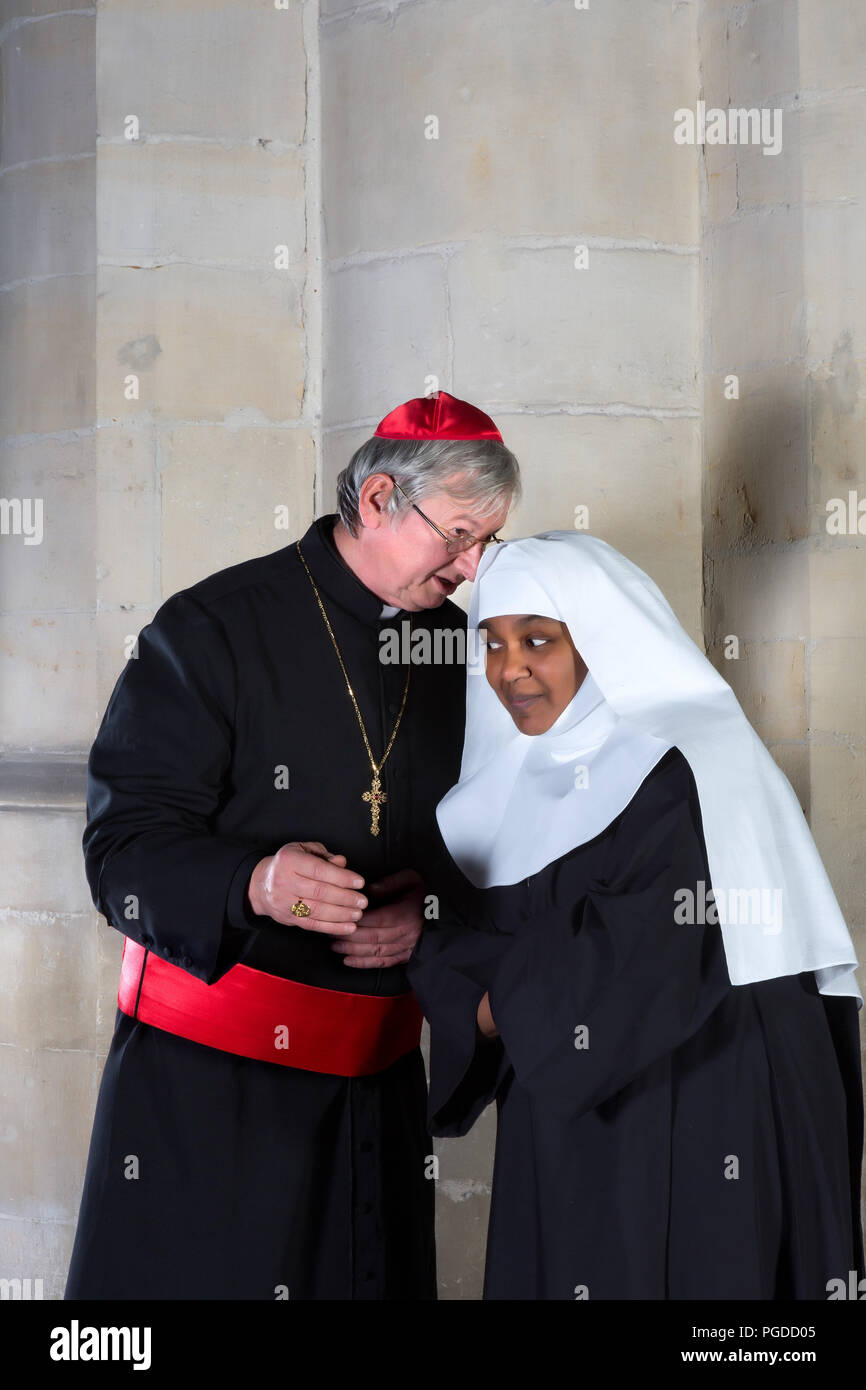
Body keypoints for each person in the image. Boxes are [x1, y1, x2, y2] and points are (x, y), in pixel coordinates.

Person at [64, 390, 520, 1300]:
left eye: (488, 544)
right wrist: (256, 883)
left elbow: (488, 840)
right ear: (382, 499)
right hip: (216, 1097)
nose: (473, 569)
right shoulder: (213, 627)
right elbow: (120, 853)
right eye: (460, 536)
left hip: (375, 1099)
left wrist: (420, 915)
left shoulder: (462, 652)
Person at [407, 530, 864, 1300]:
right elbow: (503, 932)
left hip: (706, 1090)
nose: (508, 668)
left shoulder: (689, 763)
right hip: (588, 1092)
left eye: (539, 640)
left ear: (603, 640)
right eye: (491, 643)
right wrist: (433, 946)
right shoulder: (520, 771)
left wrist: (482, 1001)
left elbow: (641, 954)